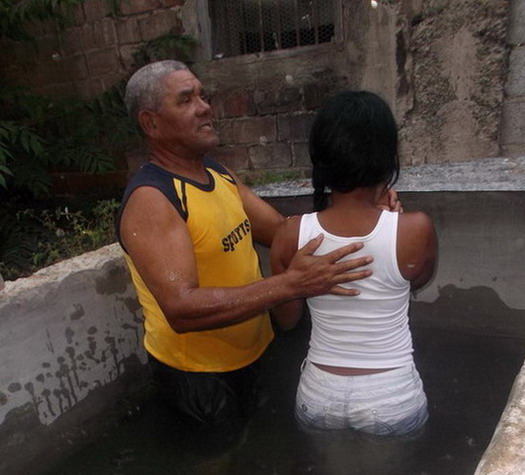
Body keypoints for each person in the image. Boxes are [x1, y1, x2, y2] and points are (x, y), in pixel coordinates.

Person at [117, 60, 397, 430]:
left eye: (203, 96)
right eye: (186, 100)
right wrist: (289, 284)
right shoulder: (153, 198)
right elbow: (181, 308)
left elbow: (282, 231)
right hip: (199, 376)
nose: (204, 107)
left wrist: (362, 206)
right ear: (150, 122)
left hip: (254, 351)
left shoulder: (216, 174)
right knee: (216, 469)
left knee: (259, 449)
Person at [270, 90, 437, 436]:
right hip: (391, 396)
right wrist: (393, 223)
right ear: (387, 158)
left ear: (321, 158)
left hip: (318, 394)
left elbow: (287, 322)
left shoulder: (289, 234)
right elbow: (417, 282)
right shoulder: (415, 229)